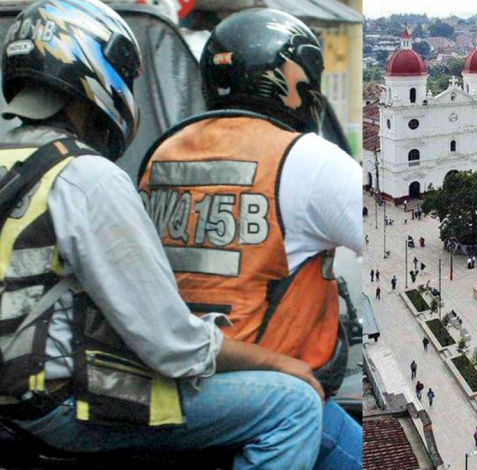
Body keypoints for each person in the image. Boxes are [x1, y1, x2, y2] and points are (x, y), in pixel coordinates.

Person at [0, 2, 322, 469]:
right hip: (58, 406)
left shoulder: (14, 161)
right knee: (293, 405)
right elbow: (173, 347)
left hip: (13, 403)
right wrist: (280, 363)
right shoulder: (84, 176)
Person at [138, 9, 361, 469]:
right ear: (292, 78)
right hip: (265, 388)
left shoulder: (163, 151)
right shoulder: (305, 158)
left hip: (168, 383)